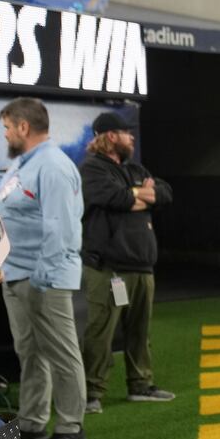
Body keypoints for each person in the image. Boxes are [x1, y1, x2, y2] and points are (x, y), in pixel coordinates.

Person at [0, 98, 86, 439]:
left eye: (6, 127)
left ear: (23, 127)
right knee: (29, 353)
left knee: (61, 352)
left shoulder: (53, 166)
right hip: (17, 274)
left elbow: (60, 228)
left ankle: (71, 427)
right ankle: (33, 422)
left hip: (43, 278)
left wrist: (42, 279)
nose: (4, 133)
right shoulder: (21, 165)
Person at [79, 112, 175, 413]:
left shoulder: (135, 168)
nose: (131, 137)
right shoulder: (92, 169)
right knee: (100, 332)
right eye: (125, 132)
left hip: (142, 266)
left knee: (140, 330)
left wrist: (138, 195)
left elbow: (165, 193)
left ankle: (140, 385)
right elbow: (111, 197)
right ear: (110, 137)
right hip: (108, 268)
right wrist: (139, 195)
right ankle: (91, 394)